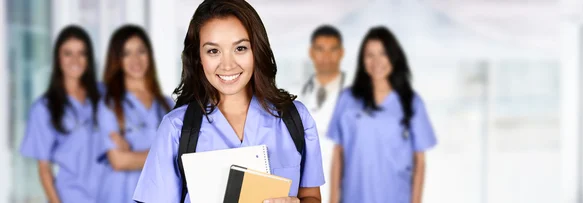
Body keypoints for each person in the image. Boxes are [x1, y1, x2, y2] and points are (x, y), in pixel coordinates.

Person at [132, 1, 325, 203]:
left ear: (256, 50)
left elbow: (311, 196)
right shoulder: (177, 129)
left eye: (240, 48)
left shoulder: (295, 119)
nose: (227, 65)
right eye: (213, 51)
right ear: (198, 57)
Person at [328, 27, 437, 203]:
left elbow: (420, 160)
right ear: (362, 60)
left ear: (394, 57)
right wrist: (333, 200)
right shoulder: (348, 99)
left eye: (383, 54)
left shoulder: (411, 102)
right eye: (370, 55)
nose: (376, 61)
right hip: (353, 197)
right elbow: (338, 154)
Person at [20, 25, 103, 203]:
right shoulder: (44, 108)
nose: (75, 60)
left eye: (82, 53)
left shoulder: (102, 95)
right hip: (72, 197)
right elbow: (44, 169)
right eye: (68, 53)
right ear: (58, 58)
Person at [96, 25, 173, 203]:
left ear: (149, 55)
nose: (135, 59)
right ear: (117, 60)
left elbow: (181, 155)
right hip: (120, 195)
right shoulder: (109, 104)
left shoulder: (168, 105)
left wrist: (134, 156)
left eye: (141, 51)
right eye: (126, 53)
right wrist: (163, 154)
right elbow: (119, 161)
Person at [297, 25, 346, 203]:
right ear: (311, 52)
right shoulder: (296, 95)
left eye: (332, 50)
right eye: (320, 49)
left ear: (341, 53)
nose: (326, 57)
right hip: (305, 190)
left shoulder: (355, 98)